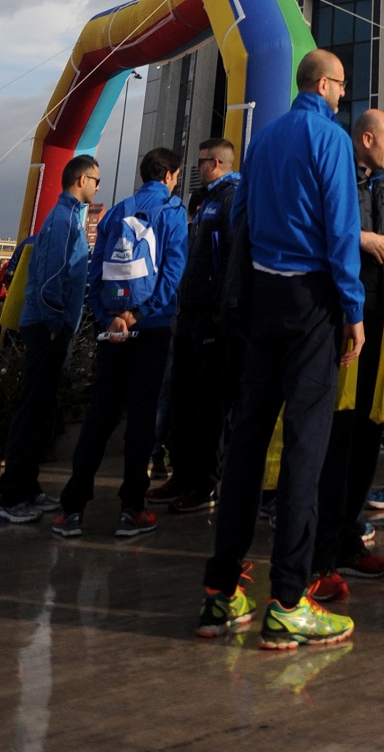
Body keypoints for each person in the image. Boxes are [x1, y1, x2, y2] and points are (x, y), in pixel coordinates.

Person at [198, 49, 363, 651]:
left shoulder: (261, 141)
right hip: (312, 302)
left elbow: (240, 218)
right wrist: (354, 309)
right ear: (324, 84)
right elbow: (341, 229)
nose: (345, 94)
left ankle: (221, 591)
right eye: (342, 85)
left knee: (247, 440)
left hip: (260, 302)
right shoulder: (330, 138)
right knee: (305, 448)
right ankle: (290, 599)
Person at [53, 147, 188, 540]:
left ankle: (72, 508)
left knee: (100, 412)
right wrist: (142, 315)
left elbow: (94, 269)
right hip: (152, 325)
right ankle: (131, 508)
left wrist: (107, 313)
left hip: (112, 326)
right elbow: (174, 270)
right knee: (142, 417)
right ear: (169, 176)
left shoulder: (116, 211)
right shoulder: (173, 213)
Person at [309, 110, 384, 596]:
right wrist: (360, 238)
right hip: (343, 326)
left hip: (379, 324)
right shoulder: (336, 175)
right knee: (337, 439)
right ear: (366, 139)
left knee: (369, 435)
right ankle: (321, 554)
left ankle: (348, 538)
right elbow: (319, 234)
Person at [0, 154, 99, 523]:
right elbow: (54, 277)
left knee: (39, 411)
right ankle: (12, 498)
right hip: (47, 328)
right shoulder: (62, 220)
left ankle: (28, 487)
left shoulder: (68, 218)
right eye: (96, 181)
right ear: (82, 180)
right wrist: (56, 322)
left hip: (51, 326)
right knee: (31, 409)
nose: (97, 187)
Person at [157, 137, 243, 514]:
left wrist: (220, 309)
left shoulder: (230, 199)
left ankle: (206, 481)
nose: (198, 168)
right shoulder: (206, 200)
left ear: (219, 164)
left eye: (203, 162)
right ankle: (184, 474)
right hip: (189, 312)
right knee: (182, 397)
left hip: (210, 317)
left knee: (210, 403)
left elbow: (232, 257)